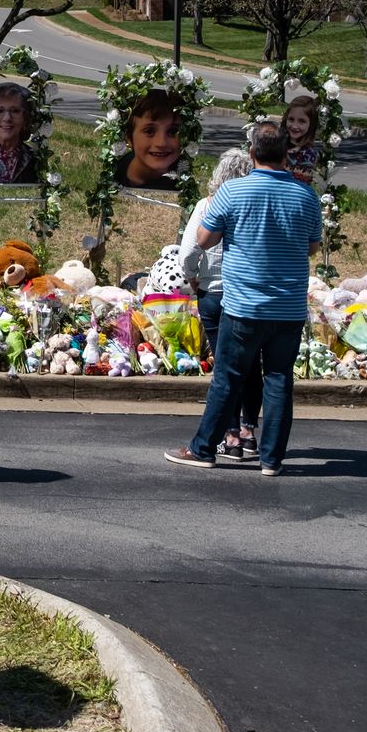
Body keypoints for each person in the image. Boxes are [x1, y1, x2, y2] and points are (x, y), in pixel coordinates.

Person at [166, 121, 322, 475]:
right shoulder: (306, 195)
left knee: (228, 377)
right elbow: (312, 246)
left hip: (244, 305)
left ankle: (203, 448)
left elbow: (204, 240)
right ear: (287, 154)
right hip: (289, 307)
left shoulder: (233, 192)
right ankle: (271, 459)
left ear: (252, 154)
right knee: (279, 378)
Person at [181, 148, 260, 460]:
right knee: (253, 366)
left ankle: (229, 436)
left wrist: (192, 277)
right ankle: (249, 431)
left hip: (213, 292)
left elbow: (188, 251)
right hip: (247, 295)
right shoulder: (254, 208)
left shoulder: (207, 206)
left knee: (225, 369)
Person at [114, 88, 181, 190]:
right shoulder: (116, 171)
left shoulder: (181, 185)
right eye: (149, 131)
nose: (161, 143)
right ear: (128, 137)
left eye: (172, 132)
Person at [282, 95, 320, 184]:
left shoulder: (308, 154)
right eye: (291, 119)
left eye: (302, 121)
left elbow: (300, 185)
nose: (295, 126)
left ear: (311, 125)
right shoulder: (277, 143)